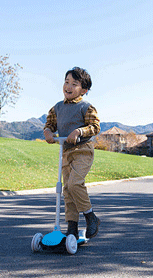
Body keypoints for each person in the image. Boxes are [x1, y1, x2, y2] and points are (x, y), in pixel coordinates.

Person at [43, 66, 101, 240]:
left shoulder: (86, 107)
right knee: (66, 190)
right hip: (66, 151)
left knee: (75, 184)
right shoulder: (57, 108)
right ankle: (72, 228)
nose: (68, 86)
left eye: (74, 84)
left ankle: (91, 217)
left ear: (83, 90)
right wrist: (47, 131)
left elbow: (95, 127)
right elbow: (50, 124)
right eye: (66, 82)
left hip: (83, 150)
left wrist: (79, 132)